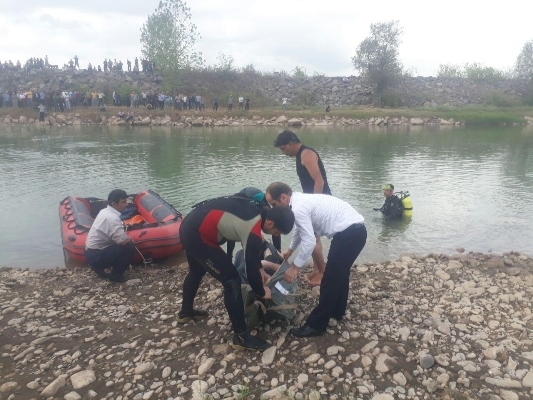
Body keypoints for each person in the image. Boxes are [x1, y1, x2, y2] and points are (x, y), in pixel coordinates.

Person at [178, 195, 295, 351]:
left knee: (196, 271)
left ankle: (186, 312)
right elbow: (250, 268)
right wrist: (261, 291)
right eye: (275, 231)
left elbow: (253, 259)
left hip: (190, 225)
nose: (274, 235)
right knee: (232, 280)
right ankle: (240, 336)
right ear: (270, 222)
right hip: (197, 235)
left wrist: (260, 269)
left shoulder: (259, 211)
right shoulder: (253, 229)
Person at [265, 182, 367, 338]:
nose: (273, 209)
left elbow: (310, 241)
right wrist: (290, 250)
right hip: (355, 231)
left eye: (274, 204)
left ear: (284, 197)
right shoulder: (298, 202)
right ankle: (338, 311)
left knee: (330, 279)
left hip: (349, 234)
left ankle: (316, 325)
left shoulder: (298, 208)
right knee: (340, 274)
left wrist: (295, 267)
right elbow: (300, 229)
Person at [273, 130, 331, 285]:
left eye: (283, 149)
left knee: (311, 238)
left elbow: (319, 181)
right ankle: (318, 269)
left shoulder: (306, 154)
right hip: (311, 200)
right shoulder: (300, 155)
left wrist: (314, 202)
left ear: (291, 143)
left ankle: (323, 272)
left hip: (318, 200)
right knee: (313, 236)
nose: (283, 153)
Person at [85, 189, 136, 283]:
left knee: (117, 245)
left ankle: (100, 271)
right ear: (114, 204)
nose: (126, 204)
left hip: (90, 254)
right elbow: (123, 241)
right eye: (123, 202)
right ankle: (116, 276)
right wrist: (130, 238)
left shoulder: (104, 211)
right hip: (97, 257)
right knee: (129, 247)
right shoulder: (112, 218)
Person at [226, 187, 282, 260]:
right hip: (242, 203)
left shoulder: (265, 210)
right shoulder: (241, 211)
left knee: (274, 227)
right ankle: (229, 257)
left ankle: (277, 252)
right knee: (234, 235)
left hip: (257, 201)